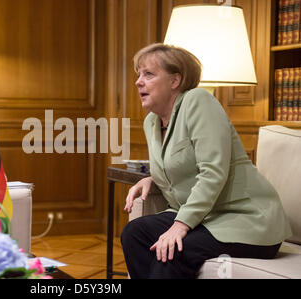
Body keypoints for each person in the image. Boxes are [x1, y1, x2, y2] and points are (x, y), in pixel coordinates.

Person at [121, 43, 292, 279]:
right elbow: (180, 165)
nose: (139, 81)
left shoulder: (198, 101)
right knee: (134, 233)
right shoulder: (151, 121)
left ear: (175, 81)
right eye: (138, 74)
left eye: (148, 74)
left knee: (172, 250)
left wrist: (180, 226)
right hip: (206, 218)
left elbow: (213, 171)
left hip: (245, 219)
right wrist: (154, 178)